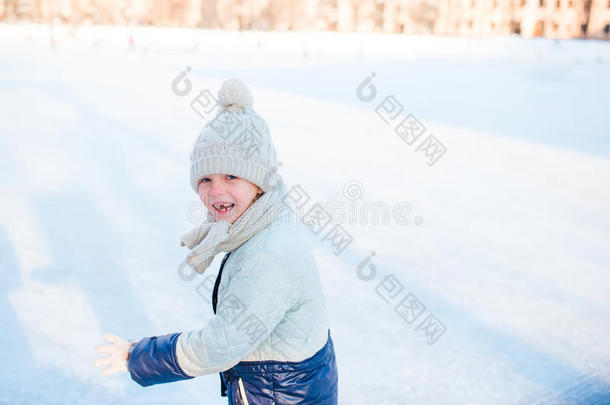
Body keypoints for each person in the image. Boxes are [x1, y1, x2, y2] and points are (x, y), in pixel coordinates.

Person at [93, 78, 338, 404]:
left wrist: (137, 356)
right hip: (288, 383)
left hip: (280, 392)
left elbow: (222, 344)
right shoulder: (262, 219)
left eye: (231, 176)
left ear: (260, 181)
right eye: (206, 178)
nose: (216, 190)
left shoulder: (268, 254)